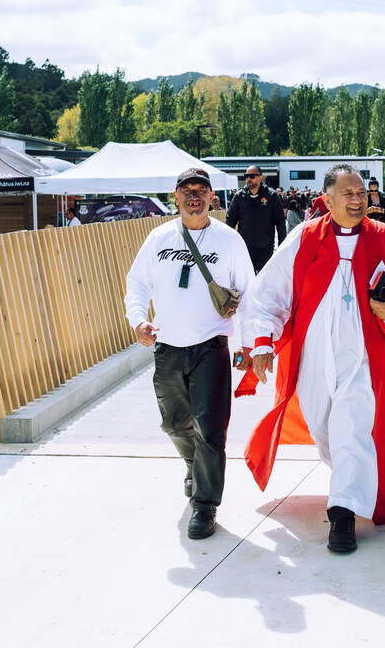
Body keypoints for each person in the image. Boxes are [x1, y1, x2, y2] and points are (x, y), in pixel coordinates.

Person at [240, 163, 385, 553]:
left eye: (361, 193)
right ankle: (349, 481)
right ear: (327, 199)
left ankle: (343, 514)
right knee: (324, 426)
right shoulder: (305, 237)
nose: (357, 199)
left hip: (364, 355)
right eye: (347, 194)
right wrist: (262, 342)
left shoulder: (384, 237)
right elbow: (270, 295)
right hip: (314, 354)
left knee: (353, 423)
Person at [124, 167, 255, 540]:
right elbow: (136, 283)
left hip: (210, 346)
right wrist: (138, 320)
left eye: (201, 189)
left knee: (210, 429)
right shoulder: (158, 237)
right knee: (173, 424)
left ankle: (205, 504)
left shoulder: (229, 240)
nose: (194, 195)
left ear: (212, 197)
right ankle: (193, 465)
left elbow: (248, 294)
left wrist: (247, 343)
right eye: (187, 189)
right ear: (176, 196)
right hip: (166, 347)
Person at [226, 164, 286, 273]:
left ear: (260, 177)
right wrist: (229, 244)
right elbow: (230, 220)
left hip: (266, 248)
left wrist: (282, 247)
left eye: (252, 176)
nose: (248, 179)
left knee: (265, 281)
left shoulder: (271, 195)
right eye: (246, 176)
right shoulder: (239, 196)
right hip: (245, 248)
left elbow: (280, 222)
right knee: (247, 282)